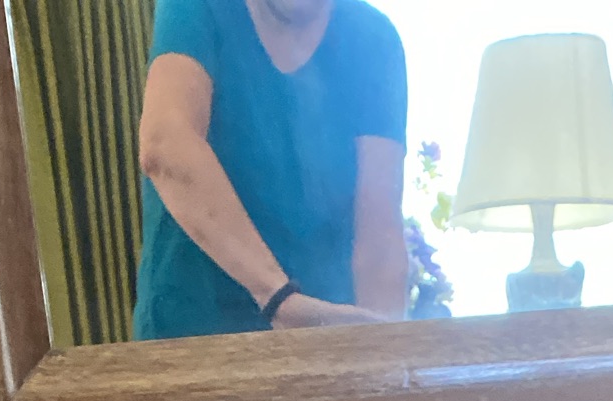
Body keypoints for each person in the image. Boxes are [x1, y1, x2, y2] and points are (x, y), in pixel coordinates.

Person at [134, 0, 409, 340]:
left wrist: (385, 349)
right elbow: (166, 144)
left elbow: (380, 233)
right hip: (192, 334)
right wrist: (279, 298)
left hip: (327, 345)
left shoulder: (372, 37)